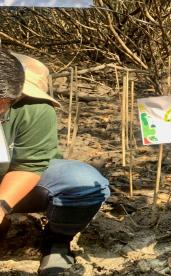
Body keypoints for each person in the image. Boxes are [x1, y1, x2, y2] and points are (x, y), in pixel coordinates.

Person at [0, 49, 110, 275]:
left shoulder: (33, 107)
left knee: (81, 182)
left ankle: (56, 241)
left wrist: (1, 207)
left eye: (5, 106)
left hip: (13, 182)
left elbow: (29, 166)